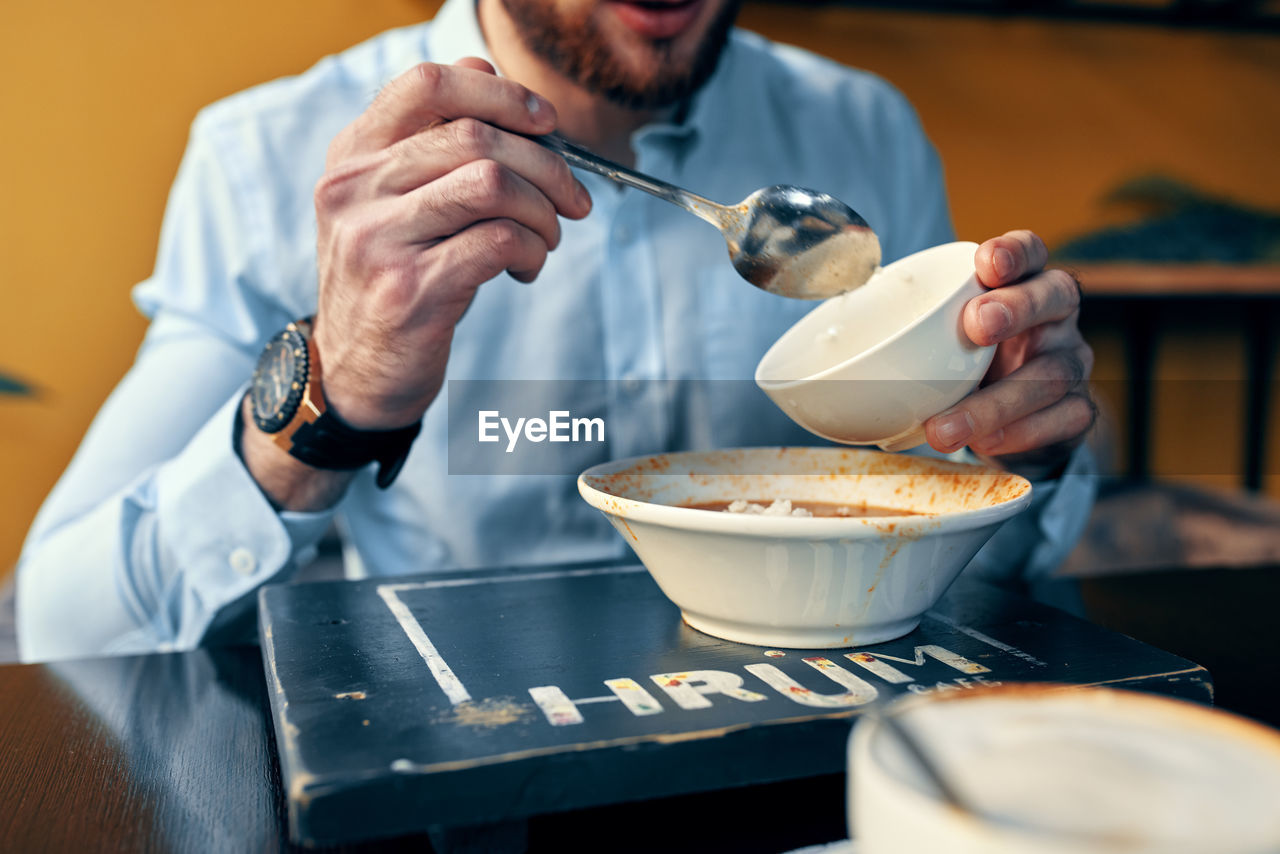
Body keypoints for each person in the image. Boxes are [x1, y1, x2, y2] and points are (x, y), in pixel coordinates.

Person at [17, 0, 1096, 661]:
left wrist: (1022, 448)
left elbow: (960, 539)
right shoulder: (270, 156)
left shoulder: (860, 129)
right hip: (455, 770)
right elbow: (73, 628)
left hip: (802, 747)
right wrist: (330, 398)